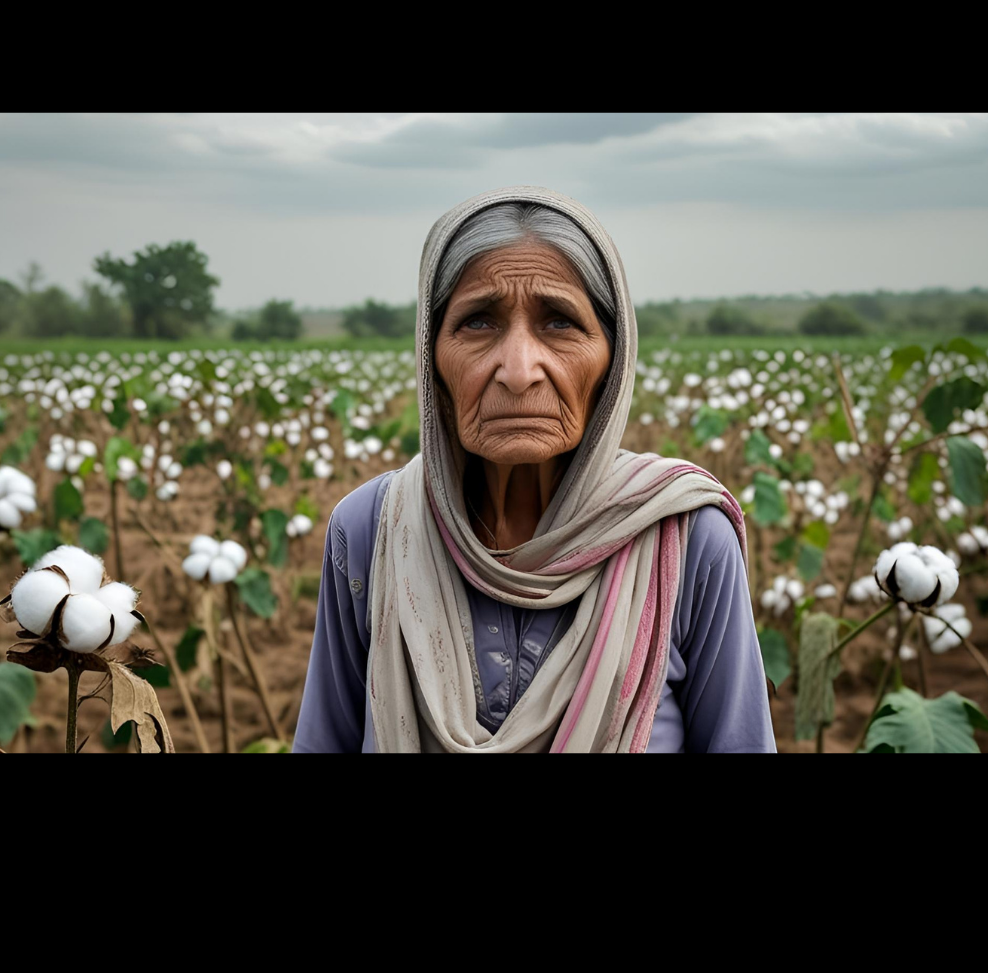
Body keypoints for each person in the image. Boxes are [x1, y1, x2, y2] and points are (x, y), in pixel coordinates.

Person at [293, 185, 776, 753]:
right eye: (478, 323)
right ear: (433, 358)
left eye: (559, 323)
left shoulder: (686, 539)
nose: (519, 371)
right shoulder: (371, 528)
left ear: (612, 361)